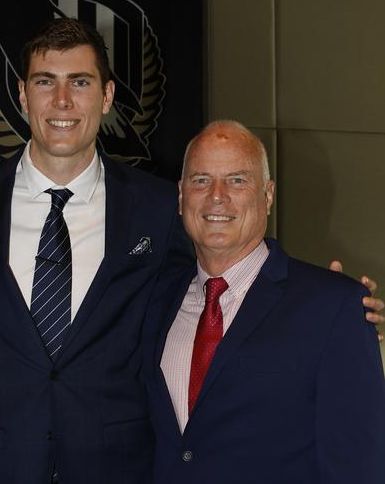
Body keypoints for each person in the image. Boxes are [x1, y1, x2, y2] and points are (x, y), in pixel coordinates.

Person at [0, 20, 383, 484]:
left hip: (120, 469)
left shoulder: (155, 207)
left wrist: (320, 303)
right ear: (22, 95)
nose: (62, 101)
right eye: (46, 82)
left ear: (108, 96)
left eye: (80, 82)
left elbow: (226, 251)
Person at [143, 120, 385, 483]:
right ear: (181, 197)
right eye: (201, 180)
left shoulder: (334, 307)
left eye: (237, 180)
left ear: (268, 195)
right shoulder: (154, 298)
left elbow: (358, 466)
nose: (217, 196)